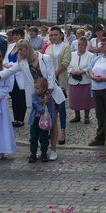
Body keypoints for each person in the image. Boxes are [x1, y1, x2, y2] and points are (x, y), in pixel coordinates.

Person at [0, 39, 66, 159]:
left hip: (51, 93)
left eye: (21, 49)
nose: (19, 52)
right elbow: (7, 72)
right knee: (39, 122)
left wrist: (48, 95)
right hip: (36, 95)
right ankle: (42, 149)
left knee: (52, 121)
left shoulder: (45, 58)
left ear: (28, 48)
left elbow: (51, 76)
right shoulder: (23, 62)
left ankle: (53, 150)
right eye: (18, 49)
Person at [44, 26, 71, 155]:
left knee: (61, 106)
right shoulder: (49, 47)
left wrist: (53, 74)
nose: (53, 37)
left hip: (60, 80)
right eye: (51, 35)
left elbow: (65, 63)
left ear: (61, 35)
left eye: (55, 35)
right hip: (49, 81)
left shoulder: (66, 47)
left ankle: (62, 131)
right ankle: (51, 128)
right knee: (50, 106)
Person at [67, 37, 95, 124]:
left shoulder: (91, 55)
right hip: (74, 79)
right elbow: (67, 65)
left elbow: (91, 66)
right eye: (79, 44)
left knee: (86, 99)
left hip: (85, 80)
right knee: (75, 99)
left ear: (86, 45)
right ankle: (77, 115)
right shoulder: (72, 54)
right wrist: (71, 71)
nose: (80, 46)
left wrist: (83, 71)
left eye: (82, 45)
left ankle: (86, 116)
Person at [4, 28, 28, 127]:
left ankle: (21, 119)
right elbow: (5, 58)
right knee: (13, 98)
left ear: (22, 36)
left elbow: (25, 61)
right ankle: (15, 118)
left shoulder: (26, 46)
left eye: (17, 35)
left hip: (20, 75)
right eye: (14, 35)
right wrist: (5, 64)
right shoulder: (11, 46)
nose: (15, 37)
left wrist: (12, 66)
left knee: (21, 98)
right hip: (11, 76)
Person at [28, 77, 56, 163]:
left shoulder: (49, 98)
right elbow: (35, 105)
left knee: (44, 137)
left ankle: (44, 153)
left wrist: (52, 119)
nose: (35, 90)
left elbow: (52, 109)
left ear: (44, 89)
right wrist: (43, 109)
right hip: (35, 120)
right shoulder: (34, 96)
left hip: (45, 121)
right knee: (33, 137)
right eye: (35, 88)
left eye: (37, 88)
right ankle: (33, 154)